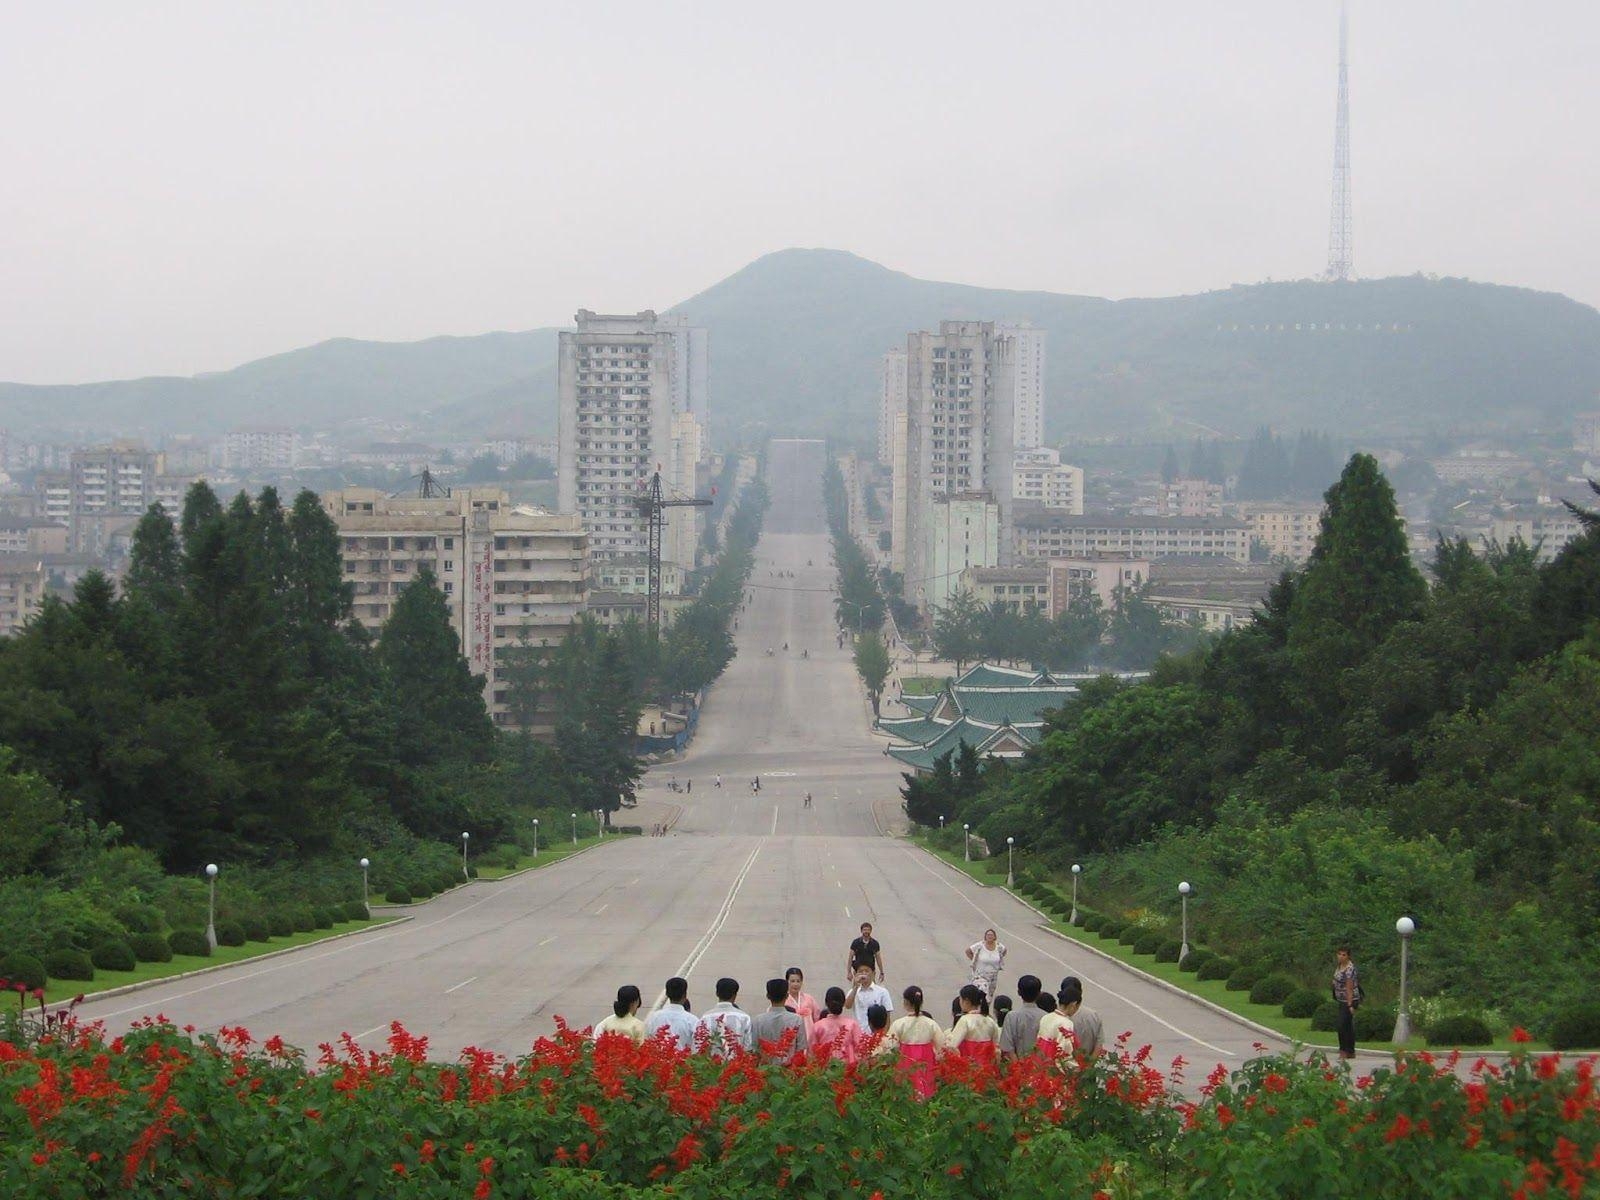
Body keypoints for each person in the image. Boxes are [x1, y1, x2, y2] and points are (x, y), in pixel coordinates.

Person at [888, 986, 943, 1099]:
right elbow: (941, 1046)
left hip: (906, 1062)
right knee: (926, 1088)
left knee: (907, 1090)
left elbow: (889, 1046)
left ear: (905, 1002)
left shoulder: (899, 1024)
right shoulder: (931, 1024)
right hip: (926, 1063)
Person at [751, 978, 809, 1062]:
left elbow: (754, 1049)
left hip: (765, 1070)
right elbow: (801, 1049)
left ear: (768, 996)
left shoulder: (757, 1021)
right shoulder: (796, 1020)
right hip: (789, 1071)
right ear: (787, 996)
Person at [697, 977, 754, 1058]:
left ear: (716, 993)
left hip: (711, 1068)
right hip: (736, 1066)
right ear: (735, 995)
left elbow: (700, 1048)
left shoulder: (705, 1018)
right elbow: (748, 1049)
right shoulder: (744, 1018)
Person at [946, 983, 1001, 1065]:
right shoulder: (990, 1020)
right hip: (988, 1069)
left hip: (970, 1068)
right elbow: (996, 1046)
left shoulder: (965, 1020)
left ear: (966, 1001)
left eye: (960, 999)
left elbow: (952, 1046)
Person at [809, 987, 864, 1064]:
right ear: (843, 1003)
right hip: (848, 1069)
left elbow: (812, 1052)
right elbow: (861, 1050)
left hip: (824, 1069)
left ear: (826, 1002)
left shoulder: (817, 1026)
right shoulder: (852, 1024)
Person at [645, 977, 699, 1051]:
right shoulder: (692, 1021)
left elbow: (648, 1042)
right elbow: (697, 1048)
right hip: (683, 1061)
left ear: (667, 994)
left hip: (658, 1061)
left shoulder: (654, 1018)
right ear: (685, 995)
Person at [998, 975, 1044, 1060]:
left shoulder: (1012, 1017)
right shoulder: (1046, 1017)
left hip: (1018, 1067)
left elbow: (1007, 1048)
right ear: (1039, 993)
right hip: (1041, 1068)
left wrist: (1019, 1068)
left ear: (1019, 992)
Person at [1057, 978, 1102, 1058]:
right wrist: (1089, 1066)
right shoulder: (1093, 1015)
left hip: (1061, 1065)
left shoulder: (1054, 1016)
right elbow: (1098, 1045)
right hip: (1086, 1064)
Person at [1333, 945, 1361, 1061]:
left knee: (1342, 1025)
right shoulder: (1340, 965)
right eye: (1339, 954)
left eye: (1344, 955)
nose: (1341, 956)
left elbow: (1349, 987)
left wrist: (1350, 1005)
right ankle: (1351, 1051)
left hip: (1349, 1000)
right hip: (1341, 999)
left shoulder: (1349, 969)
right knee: (1348, 1026)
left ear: (1348, 956)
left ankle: (1343, 1050)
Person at [845, 963, 892, 1028]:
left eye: (867, 971)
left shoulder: (882, 992)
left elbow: (887, 1016)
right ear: (856, 974)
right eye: (860, 971)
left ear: (873, 974)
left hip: (875, 1034)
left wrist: (882, 1035)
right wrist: (855, 987)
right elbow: (847, 1006)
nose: (863, 974)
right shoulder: (853, 991)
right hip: (858, 1033)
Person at [965, 928, 1007, 1000]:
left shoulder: (999, 946)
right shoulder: (980, 945)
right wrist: (975, 960)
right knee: (982, 994)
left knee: (989, 997)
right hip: (981, 975)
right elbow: (968, 951)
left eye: (991, 935)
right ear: (985, 936)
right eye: (988, 935)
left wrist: (999, 959)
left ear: (994, 937)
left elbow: (1004, 951)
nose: (989, 936)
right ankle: (979, 1009)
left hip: (993, 976)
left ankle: (985, 1009)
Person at [1035, 992, 1075, 1061]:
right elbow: (1065, 1050)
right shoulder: (1066, 1023)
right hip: (1054, 1062)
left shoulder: (1045, 1018)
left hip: (1039, 1062)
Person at [785, 967, 820, 1036]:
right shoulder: (783, 1000)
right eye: (792, 981)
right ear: (787, 981)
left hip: (808, 1036)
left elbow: (817, 1017)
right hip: (789, 1036)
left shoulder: (808, 998)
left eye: (798, 981)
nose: (796, 984)